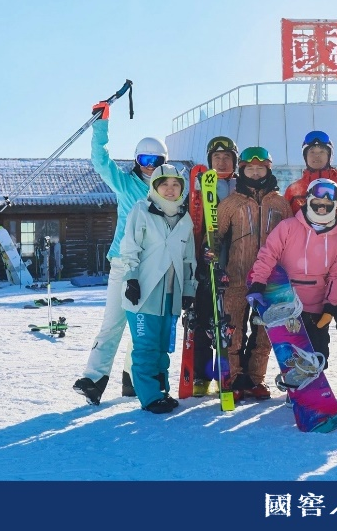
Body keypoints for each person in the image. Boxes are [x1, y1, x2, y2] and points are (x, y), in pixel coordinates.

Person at [73, 100, 169, 405]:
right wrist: (101, 124)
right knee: (113, 323)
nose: (150, 165)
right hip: (123, 264)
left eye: (156, 159)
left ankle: (133, 379)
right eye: (144, 159)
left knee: (144, 329)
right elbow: (101, 161)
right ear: (137, 161)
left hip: (154, 268)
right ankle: (93, 379)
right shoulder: (126, 184)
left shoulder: (171, 191)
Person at [212, 146, 292, 401]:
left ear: (268, 170)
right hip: (236, 277)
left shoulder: (280, 203)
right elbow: (215, 237)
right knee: (233, 330)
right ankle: (234, 378)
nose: (255, 173)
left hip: (271, 280)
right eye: (250, 169)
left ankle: (255, 379)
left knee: (265, 333)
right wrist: (210, 255)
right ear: (242, 170)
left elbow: (291, 239)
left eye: (260, 169)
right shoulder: (231, 203)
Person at [246, 179, 337, 376]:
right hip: (285, 301)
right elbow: (268, 255)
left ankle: (312, 384)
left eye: (327, 205)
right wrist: (258, 283)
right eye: (317, 203)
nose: (321, 208)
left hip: (316, 306)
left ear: (335, 206)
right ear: (308, 201)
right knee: (287, 352)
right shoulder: (288, 227)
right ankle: (281, 380)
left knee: (319, 353)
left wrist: (331, 305)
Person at [282, 131, 337, 379]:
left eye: (322, 152)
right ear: (305, 156)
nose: (317, 156)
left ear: (329, 155)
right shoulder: (294, 190)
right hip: (309, 270)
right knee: (314, 325)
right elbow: (287, 226)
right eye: (312, 152)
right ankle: (311, 376)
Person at [119, 164, 197, 414]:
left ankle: (161, 391)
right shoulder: (142, 210)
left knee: (163, 346)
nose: (170, 189)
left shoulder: (184, 218)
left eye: (175, 184)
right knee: (146, 346)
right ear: (154, 187)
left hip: (171, 293)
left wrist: (189, 289)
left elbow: (189, 258)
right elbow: (130, 247)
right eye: (164, 184)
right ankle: (149, 397)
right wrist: (131, 278)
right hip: (144, 291)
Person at [191, 136, 239, 397]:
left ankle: (226, 373)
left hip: (235, 261)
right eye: (216, 158)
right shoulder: (198, 187)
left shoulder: (241, 187)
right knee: (204, 318)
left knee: (230, 321)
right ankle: (202, 374)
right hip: (206, 260)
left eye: (227, 157)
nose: (222, 162)